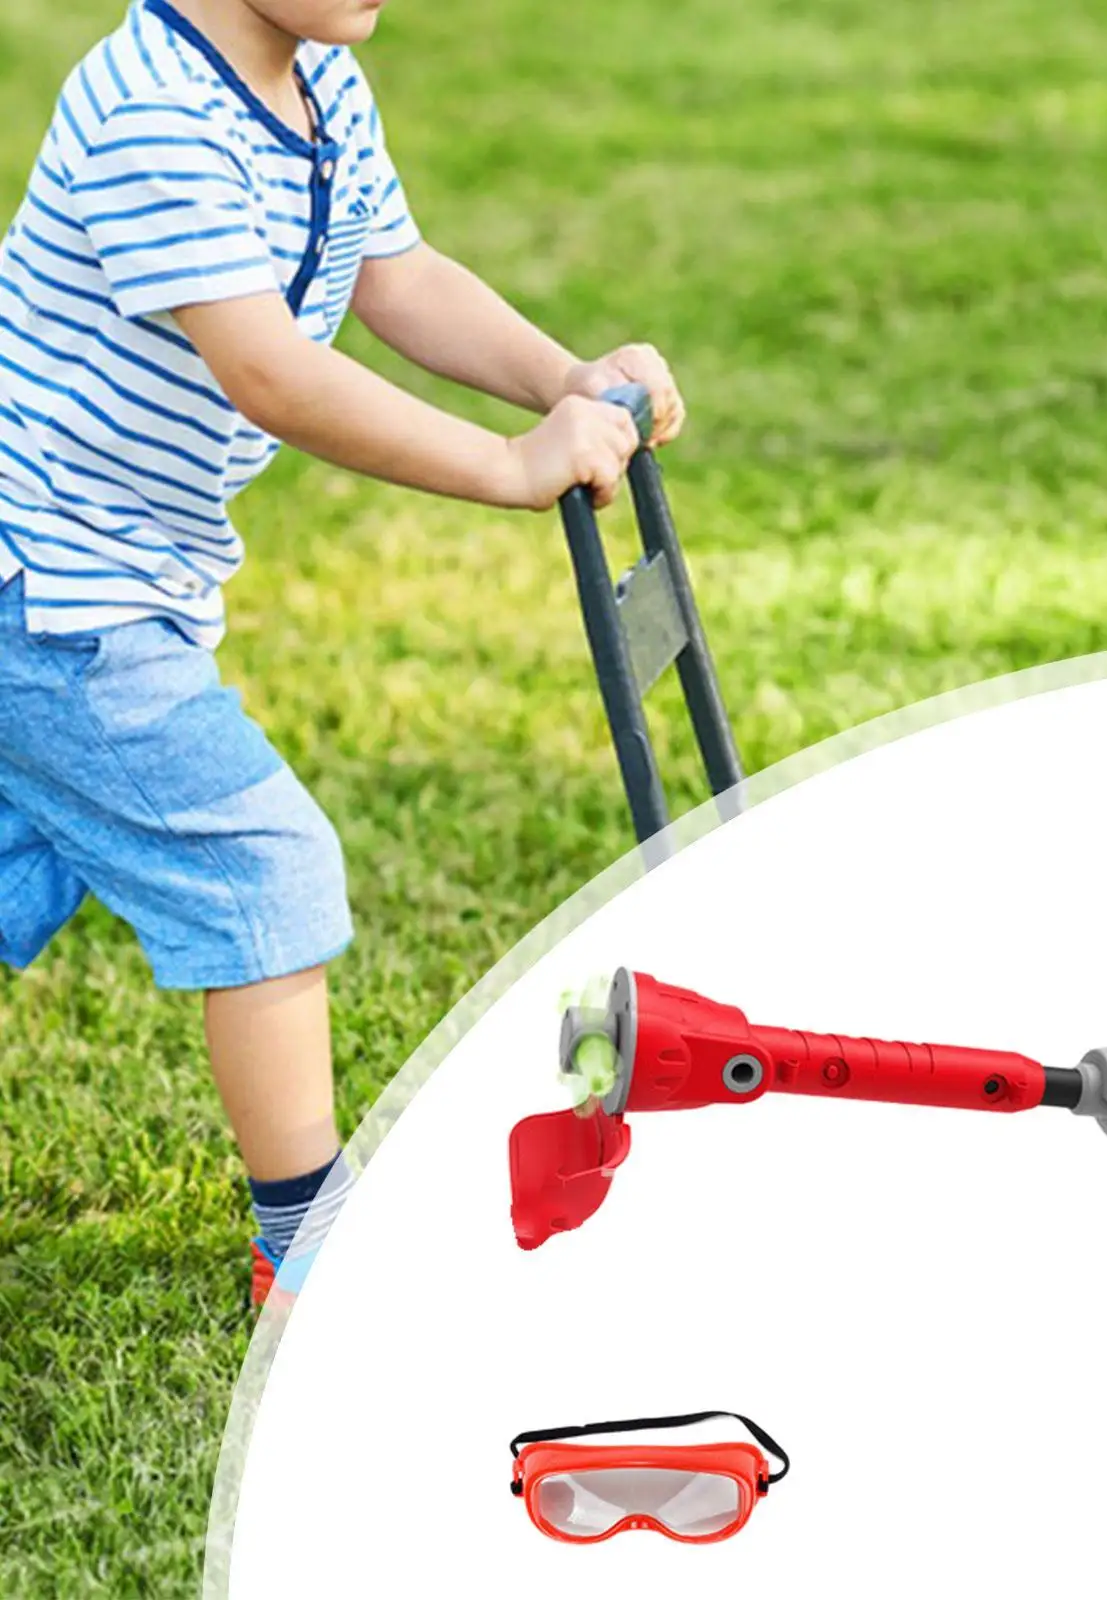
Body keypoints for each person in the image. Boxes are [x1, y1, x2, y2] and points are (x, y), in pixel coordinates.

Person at [0, 0, 685, 1302]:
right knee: (265, 862)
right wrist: (504, 466)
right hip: (48, 586)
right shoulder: (157, 111)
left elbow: (396, 274)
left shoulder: (314, 82)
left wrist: (562, 381)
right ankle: (306, 1242)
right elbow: (271, 372)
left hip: (105, 574)